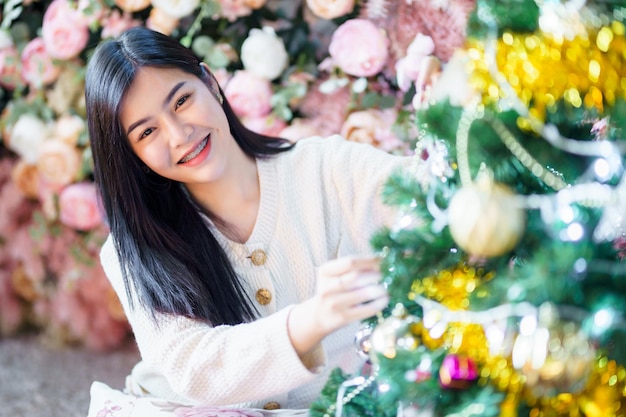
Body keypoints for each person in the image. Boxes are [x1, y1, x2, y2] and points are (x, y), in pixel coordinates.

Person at [85, 26, 411, 414]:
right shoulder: (131, 250)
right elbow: (196, 369)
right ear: (131, 153)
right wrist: (314, 318)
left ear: (211, 83)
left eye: (182, 100)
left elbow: (431, 194)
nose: (179, 134)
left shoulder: (326, 169)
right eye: (147, 131)